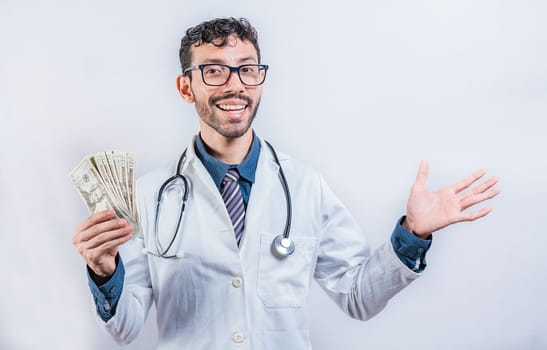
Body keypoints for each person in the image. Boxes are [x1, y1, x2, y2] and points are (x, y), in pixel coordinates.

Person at [71, 17, 500, 349]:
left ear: (261, 79)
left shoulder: (304, 185)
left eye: (247, 70)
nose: (235, 85)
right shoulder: (148, 196)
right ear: (187, 87)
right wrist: (104, 270)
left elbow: (358, 297)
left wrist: (413, 232)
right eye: (214, 72)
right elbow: (125, 328)